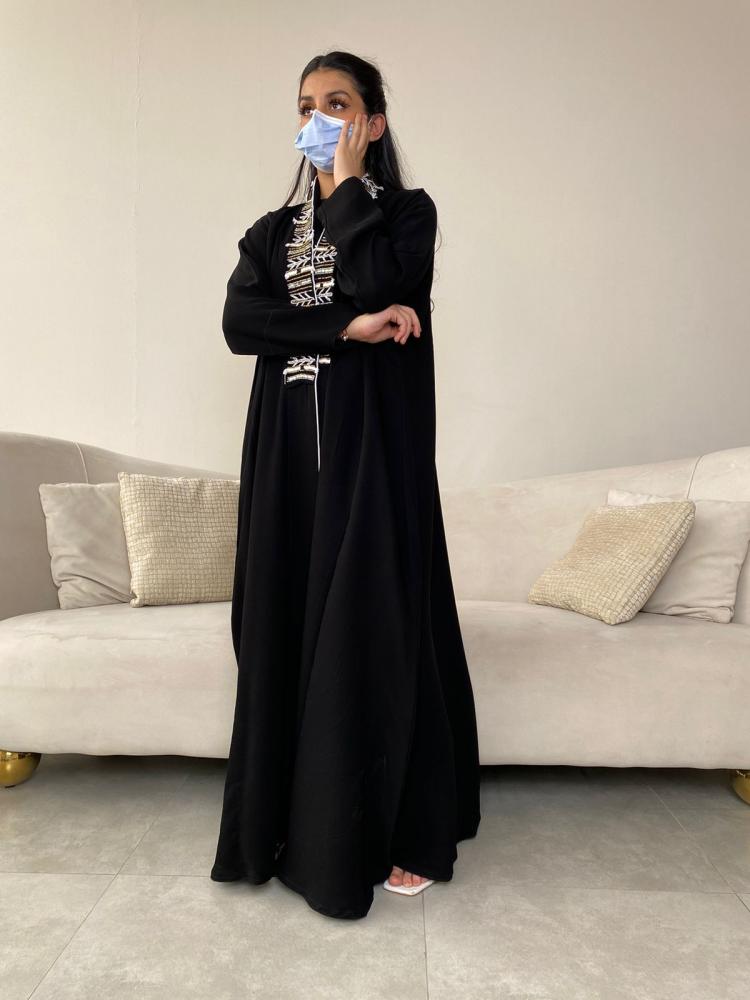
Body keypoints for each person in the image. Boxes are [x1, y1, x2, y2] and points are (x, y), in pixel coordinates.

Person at [210, 50, 481, 920]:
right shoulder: (271, 232)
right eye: (306, 106)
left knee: (377, 626)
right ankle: (287, 826)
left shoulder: (404, 214)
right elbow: (241, 320)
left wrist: (348, 189)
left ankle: (404, 830)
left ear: (372, 120)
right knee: (280, 621)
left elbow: (381, 283)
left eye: (338, 103)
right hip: (288, 458)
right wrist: (345, 328)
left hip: (373, 459)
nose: (319, 119)